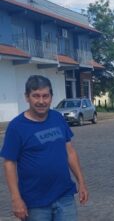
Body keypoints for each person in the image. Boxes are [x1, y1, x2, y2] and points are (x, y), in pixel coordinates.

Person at [0, 75, 88, 221]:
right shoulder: (16, 127)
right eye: (36, 96)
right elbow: (9, 163)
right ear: (27, 97)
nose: (41, 101)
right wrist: (16, 199)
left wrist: (82, 182)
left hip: (64, 196)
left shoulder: (58, 118)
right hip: (35, 203)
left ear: (51, 97)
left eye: (45, 96)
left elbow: (70, 152)